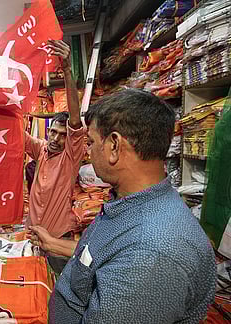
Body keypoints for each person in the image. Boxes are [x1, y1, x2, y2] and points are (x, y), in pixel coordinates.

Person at [46, 88, 216, 323]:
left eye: (91, 142)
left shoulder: (153, 252)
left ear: (114, 145)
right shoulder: (127, 203)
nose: (89, 151)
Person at [25, 40, 84, 272]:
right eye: (53, 132)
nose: (56, 138)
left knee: (57, 294)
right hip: (34, 238)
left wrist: (67, 70)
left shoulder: (70, 156)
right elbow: (14, 135)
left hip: (58, 241)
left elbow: (76, 121)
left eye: (62, 134)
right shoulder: (41, 150)